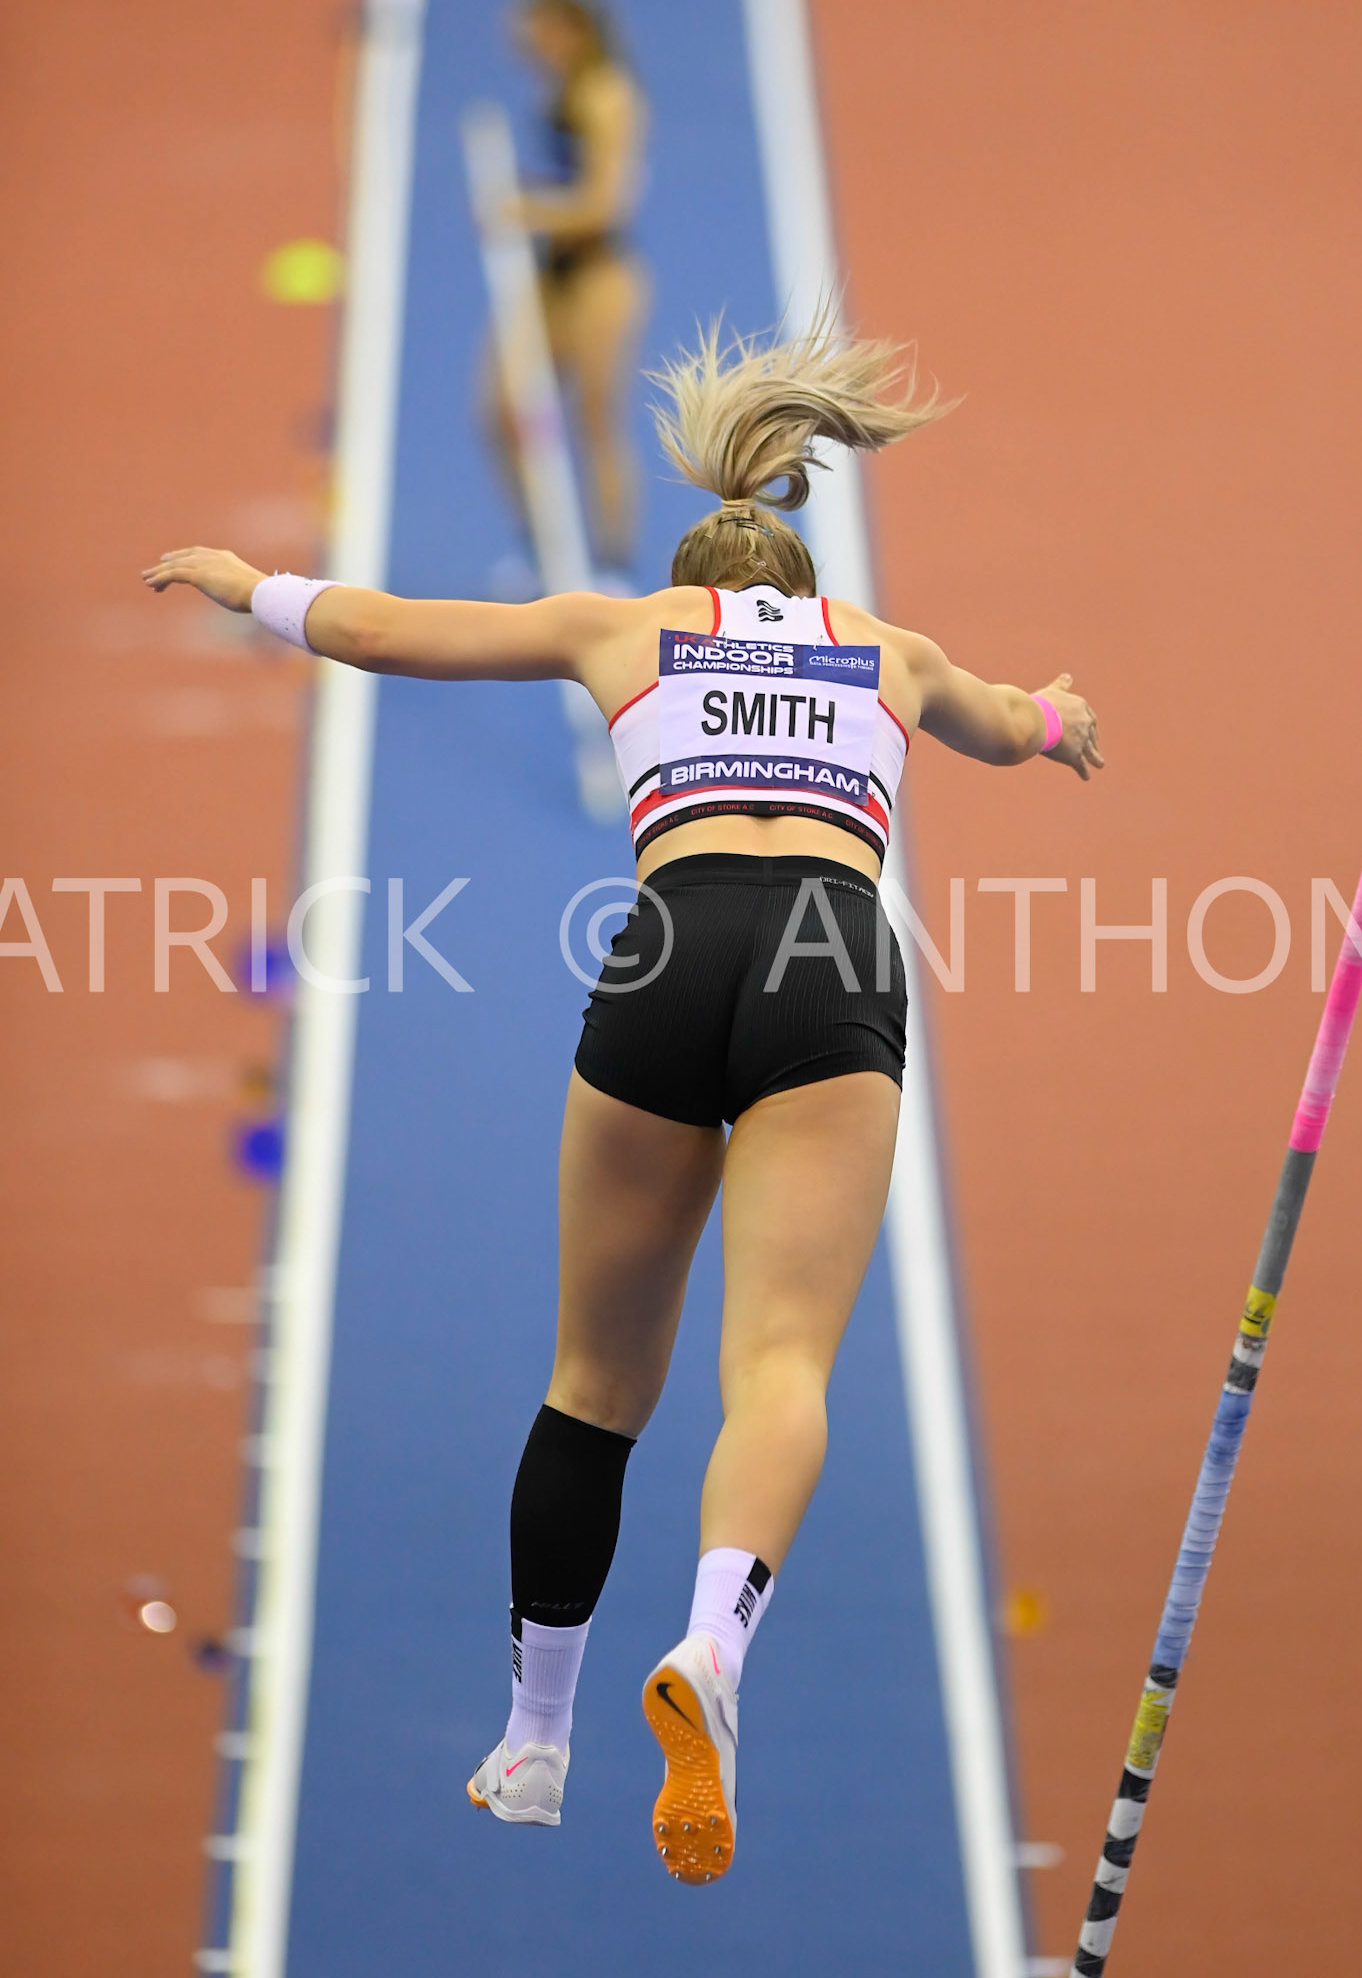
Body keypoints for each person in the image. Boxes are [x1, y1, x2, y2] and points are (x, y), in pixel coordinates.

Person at [143, 313, 1102, 1888]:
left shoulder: (627, 627)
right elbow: (1009, 728)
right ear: (797, 583)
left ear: (701, 578)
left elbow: (397, 632)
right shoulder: (887, 649)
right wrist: (1062, 722)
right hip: (827, 953)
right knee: (777, 1363)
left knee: (594, 1380)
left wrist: (255, 588)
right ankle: (714, 1647)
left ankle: (535, 1738)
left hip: (670, 948)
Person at [489, 0, 650, 579]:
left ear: (572, 30)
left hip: (601, 278)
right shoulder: (561, 91)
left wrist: (527, 211)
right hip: (550, 276)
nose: (529, 52)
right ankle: (546, 550)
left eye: (537, 38)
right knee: (501, 411)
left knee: (597, 422)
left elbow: (606, 204)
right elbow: (568, 175)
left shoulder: (609, 95)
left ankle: (612, 566)